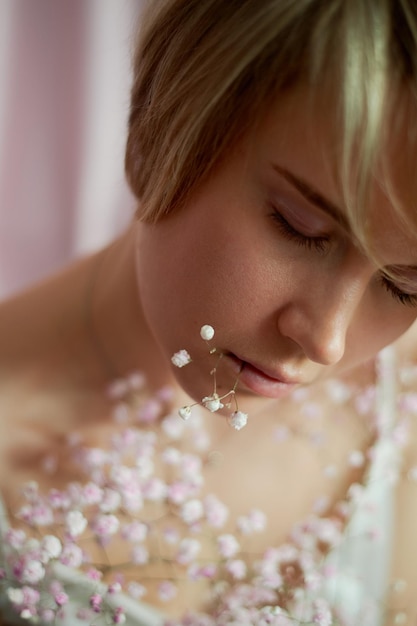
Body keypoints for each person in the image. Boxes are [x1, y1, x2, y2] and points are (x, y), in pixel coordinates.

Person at [1, 0, 417, 624]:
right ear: (167, 121)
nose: (325, 340)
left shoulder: (399, 394)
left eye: (405, 286)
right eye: (299, 227)